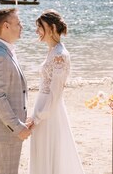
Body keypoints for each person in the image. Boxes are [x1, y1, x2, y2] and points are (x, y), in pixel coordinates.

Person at [28, 10, 85, 174]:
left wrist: (37, 117)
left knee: (49, 153)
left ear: (52, 28)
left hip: (49, 113)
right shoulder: (53, 51)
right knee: (42, 154)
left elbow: (55, 93)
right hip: (43, 108)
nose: (37, 31)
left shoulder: (60, 55)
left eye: (40, 27)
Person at [0, 8, 32, 174]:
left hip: (7, 130)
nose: (22, 26)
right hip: (6, 131)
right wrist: (18, 127)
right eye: (18, 23)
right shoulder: (0, 56)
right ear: (6, 26)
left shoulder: (5, 51)